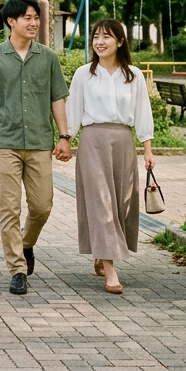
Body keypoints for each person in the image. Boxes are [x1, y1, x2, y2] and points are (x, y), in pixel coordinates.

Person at [0, 0, 73, 295]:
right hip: (5, 142)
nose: (34, 22)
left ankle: (26, 244)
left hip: (41, 141)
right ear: (11, 22)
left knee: (42, 206)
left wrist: (64, 137)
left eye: (35, 17)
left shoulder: (48, 58)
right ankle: (17, 269)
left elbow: (57, 98)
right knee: (9, 208)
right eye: (27, 18)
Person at [67, 18, 155, 294]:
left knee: (121, 203)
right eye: (95, 36)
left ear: (120, 41)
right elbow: (74, 108)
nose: (100, 42)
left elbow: (143, 111)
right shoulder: (84, 74)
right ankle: (110, 268)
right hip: (93, 141)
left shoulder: (134, 75)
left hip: (124, 141)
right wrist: (65, 140)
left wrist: (148, 149)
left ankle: (102, 255)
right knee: (101, 203)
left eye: (106, 37)